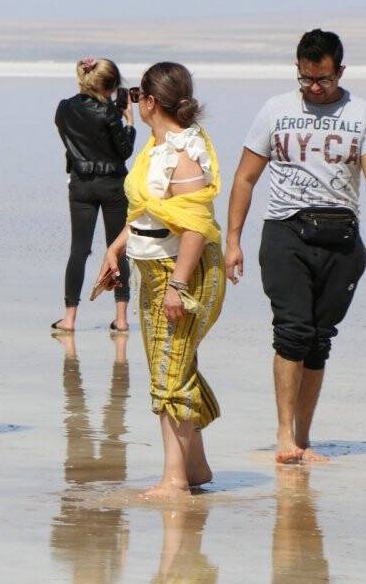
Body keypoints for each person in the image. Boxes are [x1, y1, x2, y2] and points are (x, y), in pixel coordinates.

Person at [224, 29, 366, 463]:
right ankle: (284, 435)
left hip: (341, 236)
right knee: (293, 331)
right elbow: (245, 177)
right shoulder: (275, 110)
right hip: (286, 231)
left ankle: (303, 438)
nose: (315, 88)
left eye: (323, 79)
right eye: (306, 79)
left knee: (319, 339)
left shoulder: (363, 114)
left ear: (341, 71)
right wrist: (233, 240)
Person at [96, 62, 225, 499]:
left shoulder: (184, 153)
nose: (135, 102)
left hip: (183, 273)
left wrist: (178, 286)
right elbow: (148, 213)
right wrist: (116, 247)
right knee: (170, 365)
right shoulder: (156, 146)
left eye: (137, 96)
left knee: (171, 373)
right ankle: (195, 467)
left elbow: (195, 228)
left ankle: (175, 479)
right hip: (153, 271)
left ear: (150, 102)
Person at [51, 58, 135, 334]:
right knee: (117, 248)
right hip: (112, 184)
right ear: (110, 87)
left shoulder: (64, 108)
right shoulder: (110, 113)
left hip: (81, 184)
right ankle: (121, 318)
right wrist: (129, 121)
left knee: (79, 250)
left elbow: (69, 138)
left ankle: (69, 318)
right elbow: (124, 151)